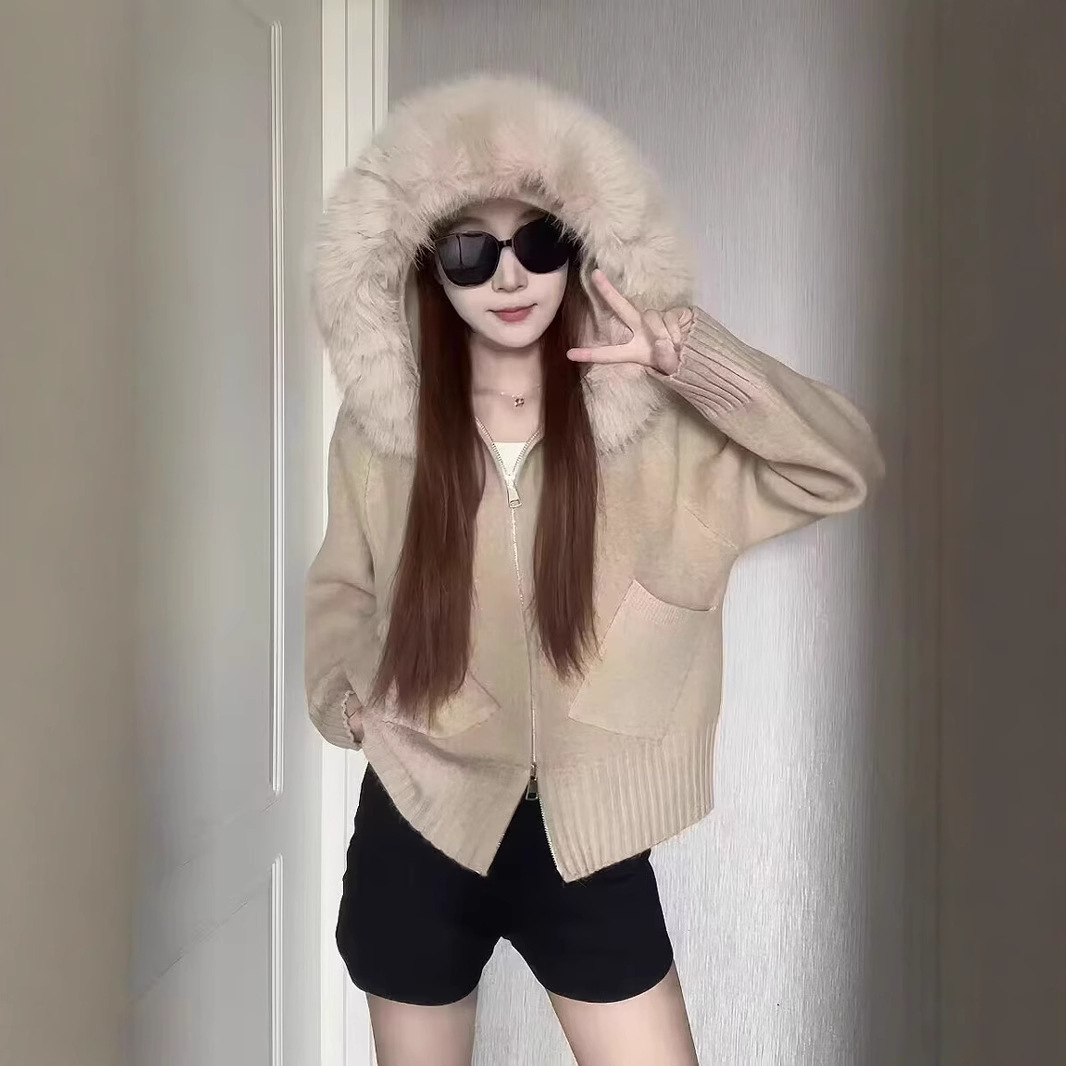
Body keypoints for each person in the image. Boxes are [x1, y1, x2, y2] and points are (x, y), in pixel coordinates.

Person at [306, 73, 884, 1066]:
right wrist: (351, 701)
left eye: (539, 241)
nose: (509, 276)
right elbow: (343, 590)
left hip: (587, 840)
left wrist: (692, 358)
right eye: (470, 250)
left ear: (579, 246)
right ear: (427, 268)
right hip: (418, 825)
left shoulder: (659, 429)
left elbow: (838, 465)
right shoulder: (380, 434)